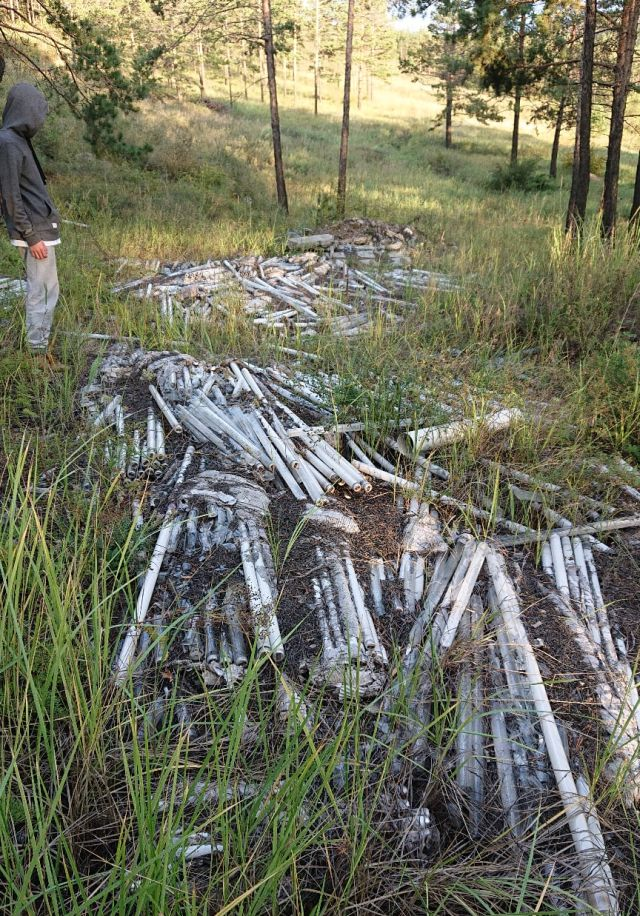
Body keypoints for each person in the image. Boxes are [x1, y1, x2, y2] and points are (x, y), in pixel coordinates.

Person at [0, 82, 63, 367]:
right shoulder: (8, 143)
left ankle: (39, 347)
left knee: (48, 288)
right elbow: (10, 195)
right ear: (25, 110)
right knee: (42, 290)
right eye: (37, 111)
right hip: (34, 232)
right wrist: (31, 235)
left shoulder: (18, 140)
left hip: (40, 228)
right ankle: (37, 354)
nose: (39, 119)